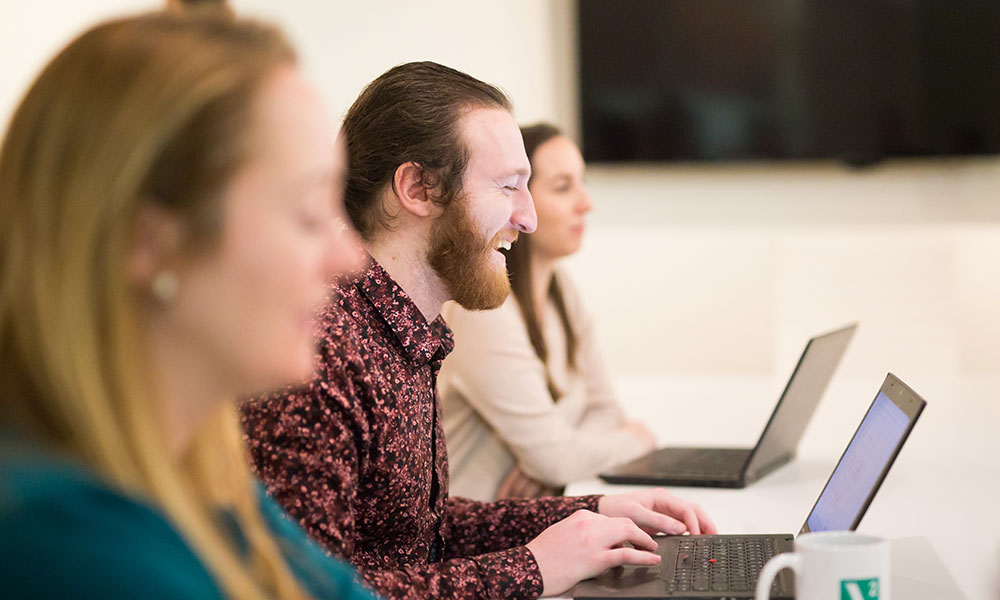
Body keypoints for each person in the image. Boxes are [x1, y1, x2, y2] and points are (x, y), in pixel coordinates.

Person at [241, 62, 717, 600]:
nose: (529, 218)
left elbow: (423, 533)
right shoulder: (321, 353)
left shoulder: (405, 330)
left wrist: (589, 514)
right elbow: (300, 589)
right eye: (509, 186)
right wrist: (531, 568)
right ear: (418, 188)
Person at [0, 11, 374, 599]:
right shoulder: (65, 548)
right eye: (308, 215)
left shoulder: (198, 472)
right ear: (147, 244)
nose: (349, 258)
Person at [438, 124, 655, 502]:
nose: (586, 202)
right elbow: (556, 456)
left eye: (581, 182)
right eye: (562, 187)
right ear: (517, 201)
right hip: (472, 539)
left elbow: (604, 409)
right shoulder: (483, 311)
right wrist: (639, 439)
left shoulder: (561, 289)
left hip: (528, 517)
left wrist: (554, 460)